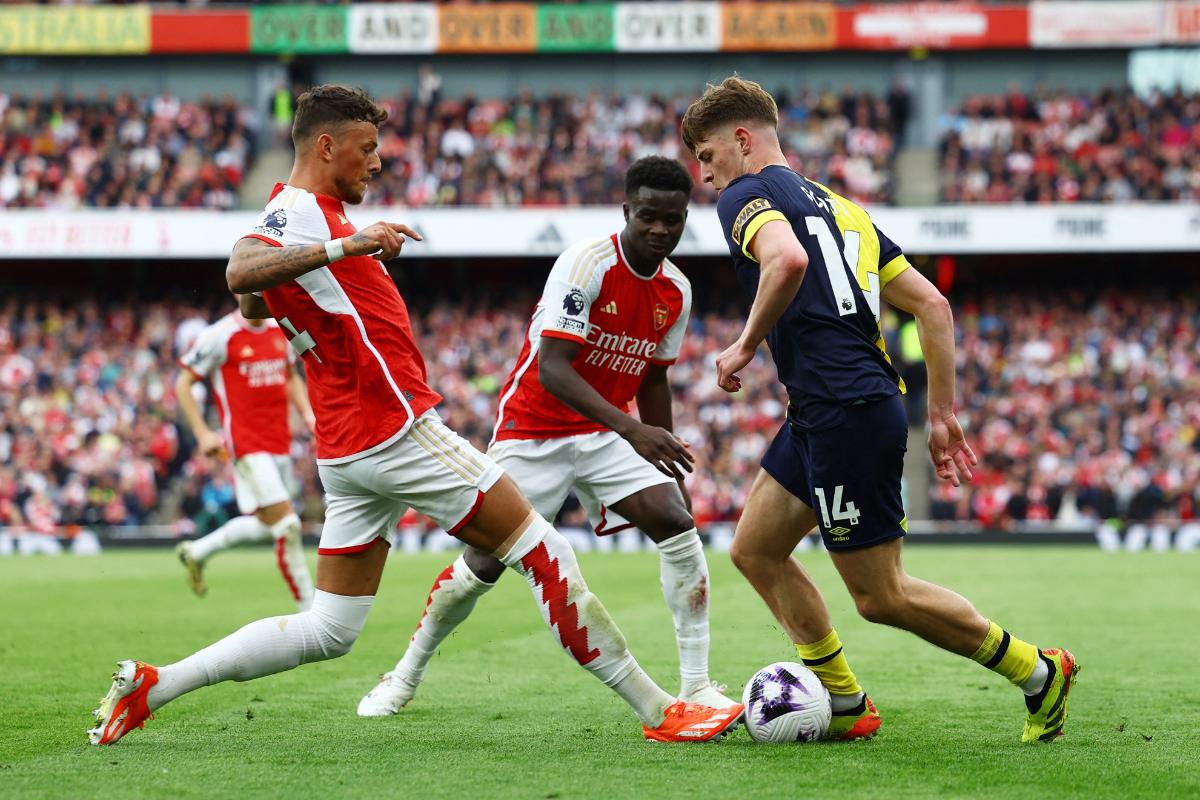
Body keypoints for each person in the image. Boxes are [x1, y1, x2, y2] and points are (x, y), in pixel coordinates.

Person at [87, 85, 741, 746]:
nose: (377, 162)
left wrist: (312, 271)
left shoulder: (313, 216)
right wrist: (346, 250)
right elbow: (239, 271)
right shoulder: (306, 212)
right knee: (547, 552)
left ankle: (157, 683)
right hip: (396, 430)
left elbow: (255, 302)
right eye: (367, 149)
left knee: (329, 629)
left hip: (346, 452)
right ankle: (663, 710)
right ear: (325, 146)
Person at [680, 76, 1077, 743]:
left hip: (846, 409)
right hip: (825, 410)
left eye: (707, 154)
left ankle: (1038, 671)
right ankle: (844, 701)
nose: (705, 172)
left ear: (742, 141)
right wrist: (943, 413)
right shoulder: (844, 208)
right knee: (755, 549)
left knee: (880, 596)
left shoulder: (747, 195)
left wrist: (743, 346)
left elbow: (785, 261)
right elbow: (934, 306)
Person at [358, 156, 737, 717]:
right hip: (533, 429)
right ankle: (405, 674)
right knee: (480, 569)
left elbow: (654, 375)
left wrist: (663, 451)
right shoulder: (585, 263)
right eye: (649, 217)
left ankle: (697, 686)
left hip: (605, 430)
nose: (661, 230)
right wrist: (634, 430)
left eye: (674, 220)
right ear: (627, 210)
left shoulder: (675, 291)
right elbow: (554, 369)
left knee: (679, 526)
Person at [174, 310, 316, 612]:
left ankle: (197, 552)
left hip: (280, 443)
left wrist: (307, 415)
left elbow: (290, 374)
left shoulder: (282, 327)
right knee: (289, 524)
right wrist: (202, 434)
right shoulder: (220, 335)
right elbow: (183, 383)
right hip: (247, 447)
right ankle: (312, 611)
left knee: (270, 525)